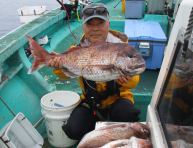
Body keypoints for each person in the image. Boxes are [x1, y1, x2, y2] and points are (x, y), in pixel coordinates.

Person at [46, 3, 141, 140]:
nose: (95, 28)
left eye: (100, 23)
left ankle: (111, 129)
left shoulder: (122, 49)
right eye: (90, 24)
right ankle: (98, 132)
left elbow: (134, 81)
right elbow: (65, 75)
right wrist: (58, 66)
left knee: (127, 114)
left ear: (108, 24)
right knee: (73, 130)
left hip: (118, 99)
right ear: (83, 27)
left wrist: (129, 79)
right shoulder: (77, 50)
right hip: (91, 102)